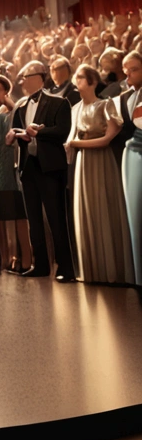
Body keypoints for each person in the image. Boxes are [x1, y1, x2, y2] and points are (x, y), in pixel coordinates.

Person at [5, 61, 75, 282]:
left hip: (50, 167)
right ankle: (40, 264)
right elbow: (17, 130)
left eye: (25, 76)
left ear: (39, 76)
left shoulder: (59, 103)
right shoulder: (22, 105)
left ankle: (65, 267)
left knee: (56, 218)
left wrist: (38, 132)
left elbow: (63, 131)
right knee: (33, 220)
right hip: (28, 167)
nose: (22, 81)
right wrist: (15, 135)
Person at [65, 64, 133, 285]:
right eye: (76, 78)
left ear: (93, 81)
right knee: (87, 211)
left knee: (104, 208)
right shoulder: (75, 108)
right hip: (83, 163)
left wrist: (76, 143)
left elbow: (107, 139)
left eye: (81, 78)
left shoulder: (106, 105)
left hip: (101, 161)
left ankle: (112, 272)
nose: (77, 82)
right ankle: (92, 271)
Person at [0, 74, 31, 274]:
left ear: (5, 91)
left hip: (8, 168)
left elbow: (19, 116)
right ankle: (3, 258)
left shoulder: (11, 109)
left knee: (16, 213)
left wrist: (7, 102)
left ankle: (23, 258)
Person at [119, 51, 142, 286]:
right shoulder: (124, 97)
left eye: (134, 68)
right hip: (132, 159)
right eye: (126, 69)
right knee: (136, 218)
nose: (128, 73)